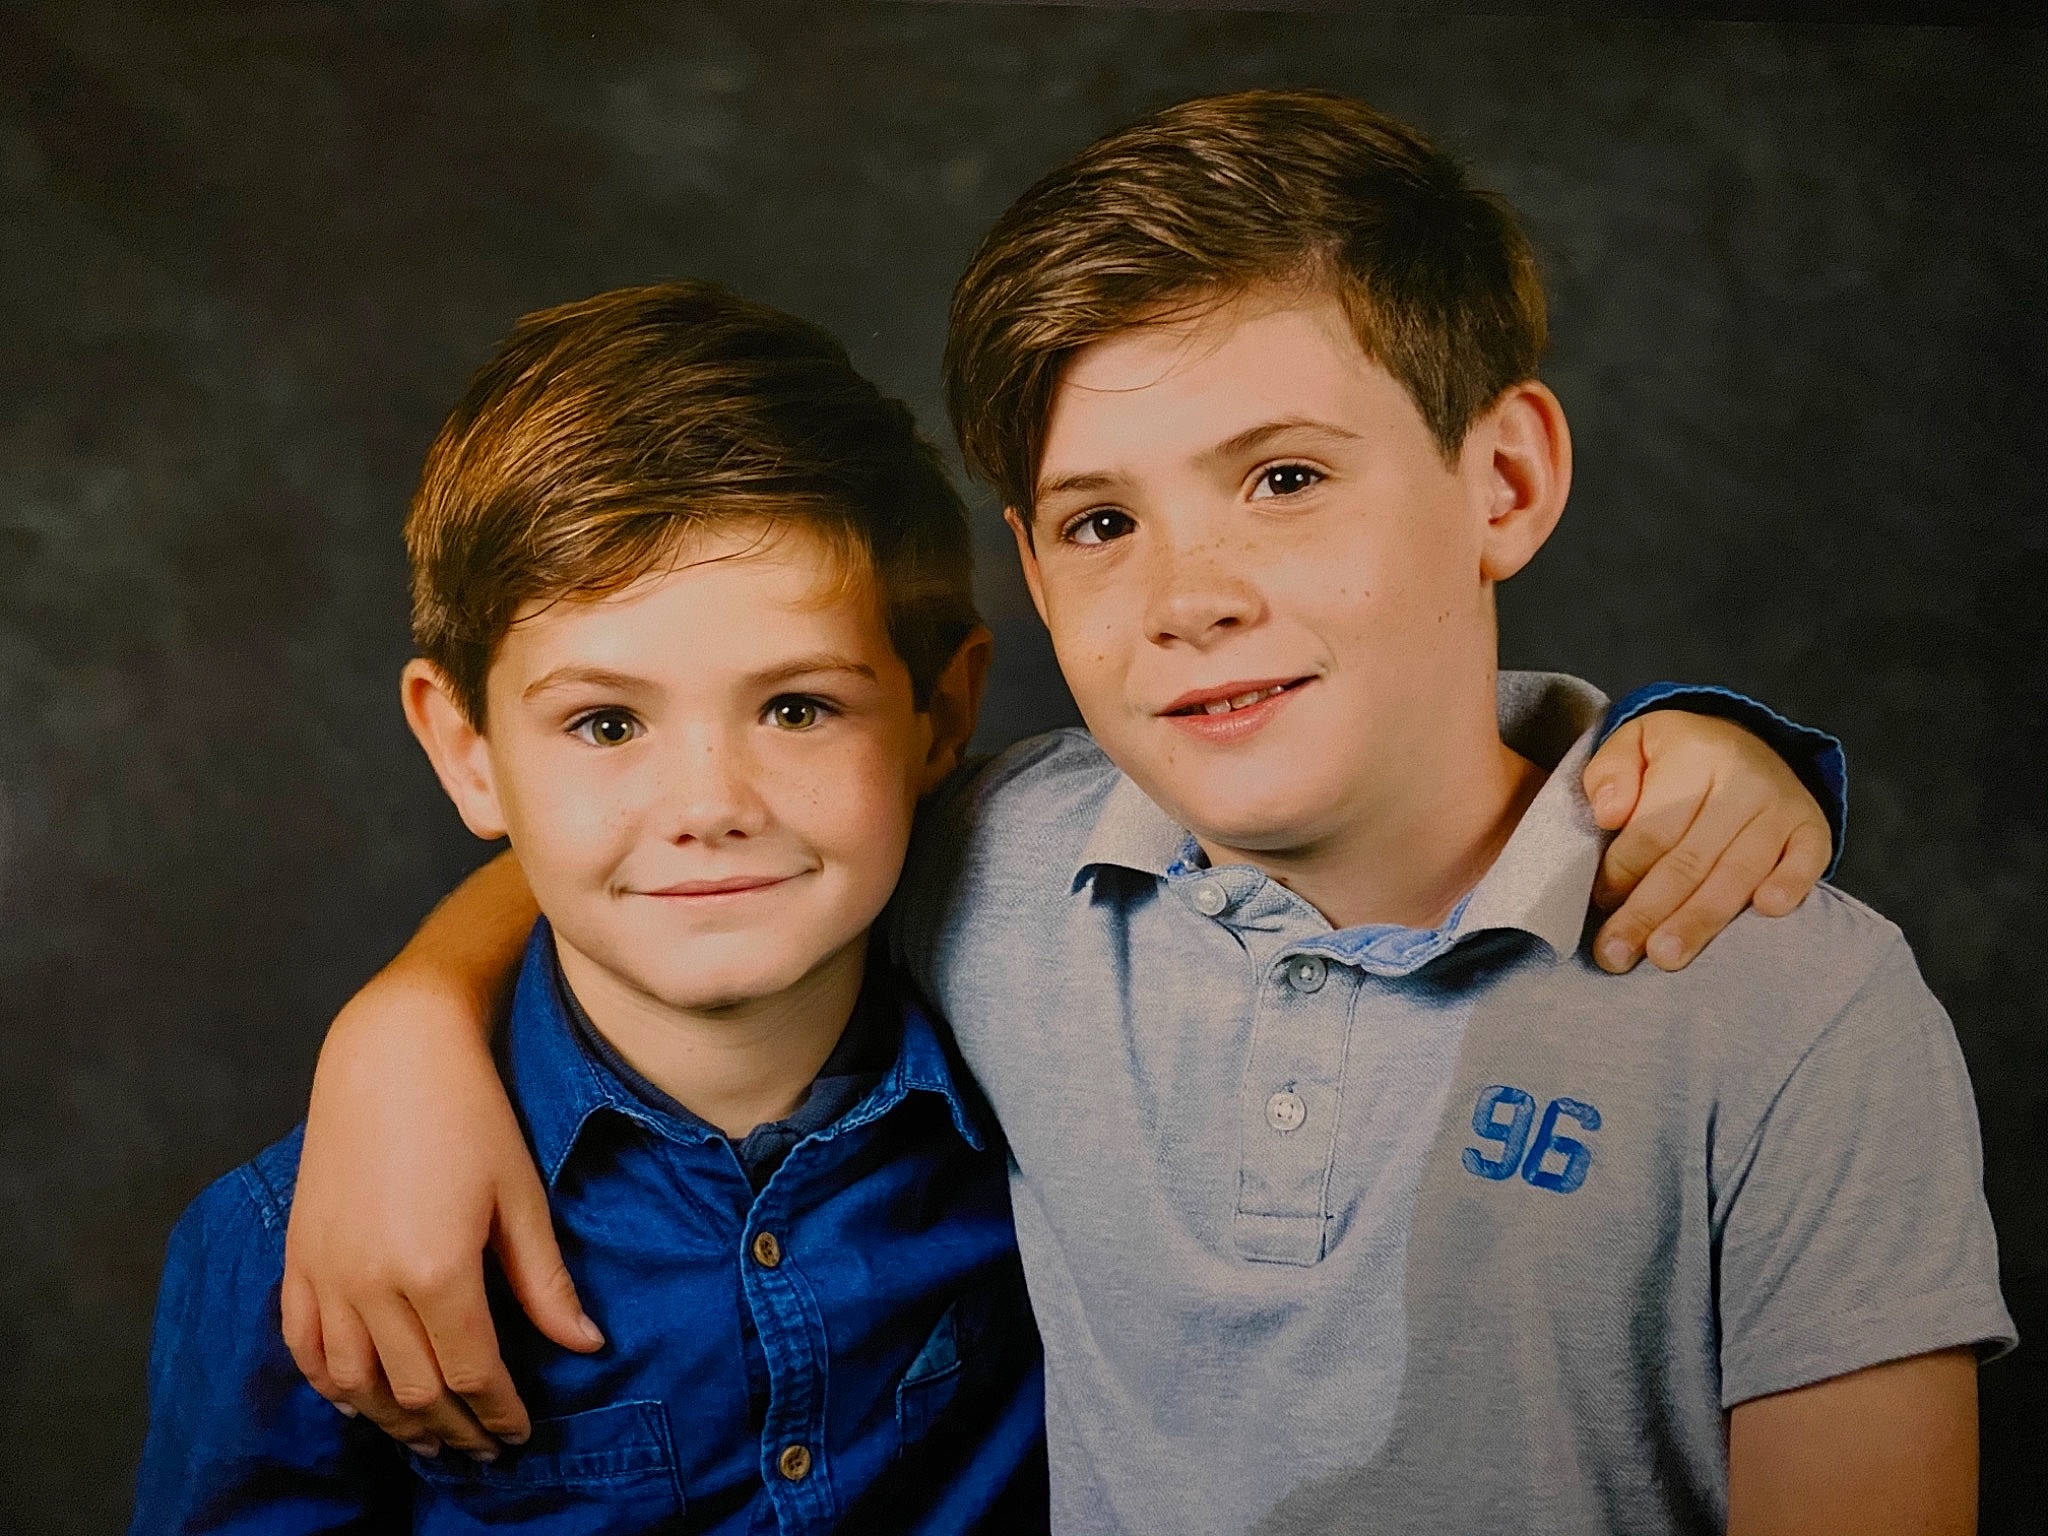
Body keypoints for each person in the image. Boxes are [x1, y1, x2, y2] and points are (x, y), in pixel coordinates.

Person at [273, 92, 1970, 1533]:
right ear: (1025, 561)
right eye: (1098, 522)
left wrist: (1721, 751)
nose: (1187, 595)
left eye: (1283, 479)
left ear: (1501, 482)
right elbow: (682, 850)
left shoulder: (1792, 1006)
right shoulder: (1002, 868)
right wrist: (405, 1022)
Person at [131, 283, 1048, 1533]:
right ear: (465, 751)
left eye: (796, 707)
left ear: (941, 712)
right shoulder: (299, 1249)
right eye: (606, 723)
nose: (709, 804)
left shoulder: (1058, 1103)